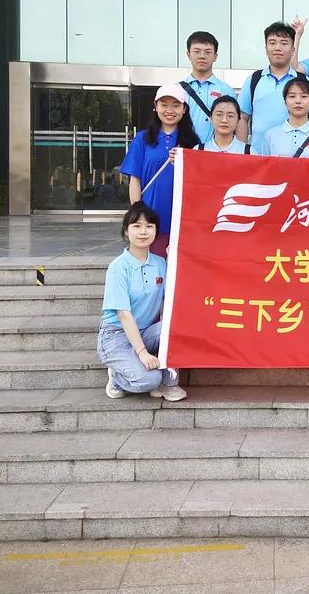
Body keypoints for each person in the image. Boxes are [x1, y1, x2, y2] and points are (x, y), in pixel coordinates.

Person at [98, 202, 187, 402]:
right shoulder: (118, 267)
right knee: (148, 380)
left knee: (175, 327)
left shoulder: (160, 263)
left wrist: (177, 260)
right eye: (136, 226)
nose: (143, 231)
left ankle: (168, 385)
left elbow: (171, 299)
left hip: (146, 332)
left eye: (149, 226)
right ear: (126, 231)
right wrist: (143, 353)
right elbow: (123, 315)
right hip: (116, 336)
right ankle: (118, 378)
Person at [120, 84, 200, 257]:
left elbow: (199, 182)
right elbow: (135, 179)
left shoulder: (193, 142)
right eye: (164, 105)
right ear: (155, 107)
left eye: (176, 105)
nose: (169, 110)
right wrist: (138, 213)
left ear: (184, 109)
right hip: (150, 219)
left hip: (182, 219)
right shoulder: (142, 139)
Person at [239, 21, 309, 145]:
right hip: (258, 153)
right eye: (272, 43)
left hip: (296, 153)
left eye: (284, 43)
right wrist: (243, 150)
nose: (278, 48)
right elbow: (242, 118)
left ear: (293, 49)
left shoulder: (305, 82)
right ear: (266, 48)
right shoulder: (254, 80)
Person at [253, 76, 309, 159]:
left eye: (304, 96)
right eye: (292, 96)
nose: (298, 101)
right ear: (285, 102)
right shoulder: (271, 136)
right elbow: (266, 166)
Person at [178, 31, 236, 146]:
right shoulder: (177, 89)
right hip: (184, 150)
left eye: (207, 52)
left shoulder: (227, 91)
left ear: (215, 56)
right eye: (196, 51)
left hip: (215, 152)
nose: (202, 56)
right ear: (188, 55)